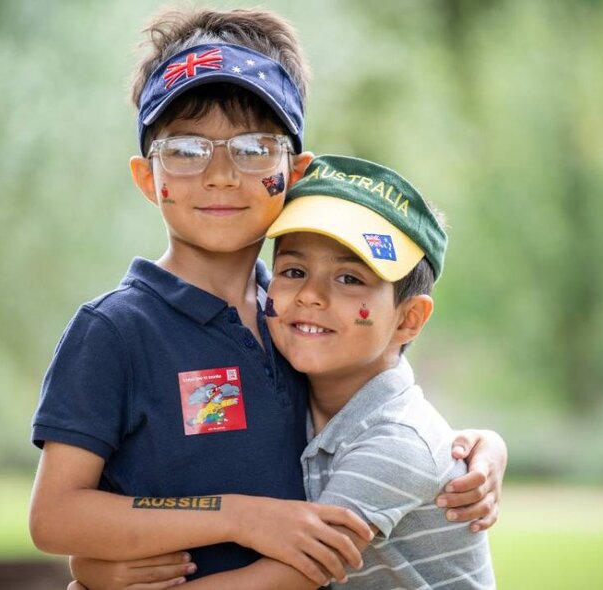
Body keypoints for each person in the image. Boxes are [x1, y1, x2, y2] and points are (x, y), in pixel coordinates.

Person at [27, 8, 506, 589]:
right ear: (149, 178)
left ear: (294, 170)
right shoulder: (114, 331)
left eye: (254, 148)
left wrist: (478, 447)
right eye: (185, 148)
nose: (222, 175)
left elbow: (383, 420)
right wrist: (239, 515)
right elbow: (55, 517)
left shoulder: (295, 322)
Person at [175, 156, 495, 588]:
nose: (310, 295)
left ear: (408, 320)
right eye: (293, 271)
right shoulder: (283, 388)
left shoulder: (398, 443)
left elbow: (292, 578)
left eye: (349, 279)